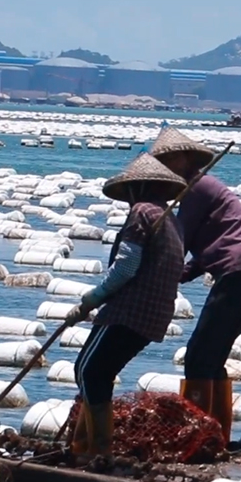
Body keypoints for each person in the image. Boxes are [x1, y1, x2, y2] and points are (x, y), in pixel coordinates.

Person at [148, 126, 241, 444]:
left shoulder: (196, 189)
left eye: (170, 160)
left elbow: (179, 241)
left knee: (198, 358)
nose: (166, 166)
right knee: (212, 358)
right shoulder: (200, 190)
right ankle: (218, 437)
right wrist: (179, 275)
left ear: (186, 159)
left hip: (238, 272)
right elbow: (202, 254)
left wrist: (153, 274)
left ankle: (198, 439)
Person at [65, 154, 187, 460]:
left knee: (89, 371)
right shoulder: (169, 217)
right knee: (94, 372)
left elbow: (126, 267)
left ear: (137, 187)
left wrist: (92, 299)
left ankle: (98, 450)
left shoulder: (142, 212)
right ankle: (82, 446)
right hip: (155, 312)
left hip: (130, 309)